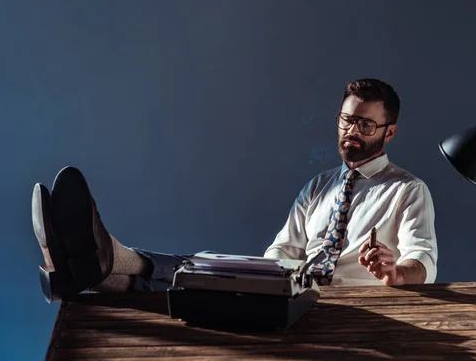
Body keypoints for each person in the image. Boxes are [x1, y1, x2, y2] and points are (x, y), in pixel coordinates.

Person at [32, 78, 438, 302]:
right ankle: (80, 269)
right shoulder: (318, 187)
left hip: (348, 304)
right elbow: (283, 250)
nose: (352, 131)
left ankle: (86, 262)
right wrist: (274, 274)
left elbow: (423, 261)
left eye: (365, 125)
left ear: (390, 132)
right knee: (206, 271)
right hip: (292, 292)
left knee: (204, 278)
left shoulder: (407, 189)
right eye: (346, 120)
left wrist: (396, 271)